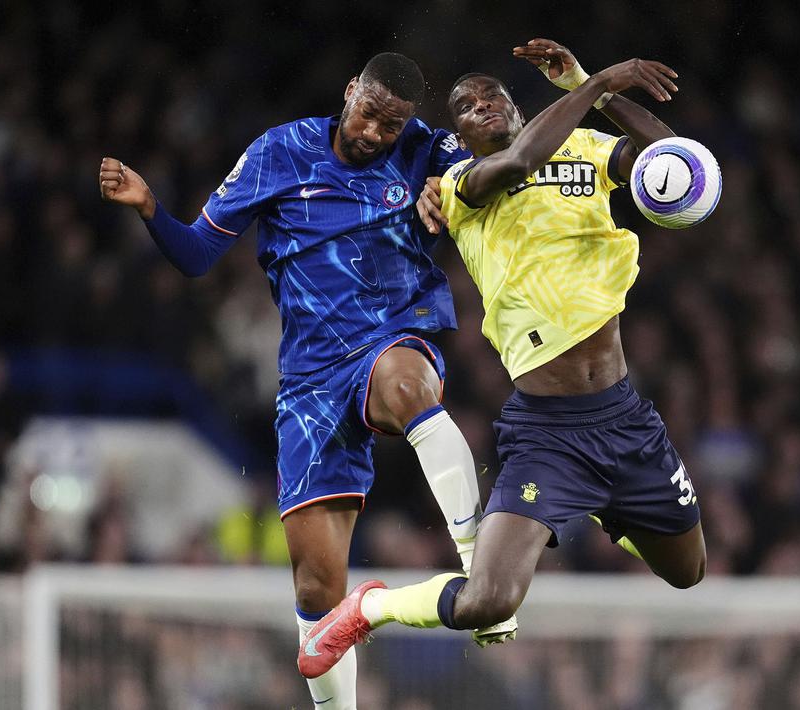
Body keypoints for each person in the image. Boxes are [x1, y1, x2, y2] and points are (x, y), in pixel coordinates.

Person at [98, 52, 515, 710]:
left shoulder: (424, 150)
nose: (377, 132)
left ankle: (481, 568)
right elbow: (198, 255)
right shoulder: (279, 152)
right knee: (318, 590)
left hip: (391, 337)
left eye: (393, 122)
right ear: (349, 92)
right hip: (309, 385)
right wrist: (150, 207)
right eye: (370, 114)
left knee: (409, 388)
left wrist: (453, 187)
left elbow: (478, 173)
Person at [298, 39, 706, 680]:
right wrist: (597, 84)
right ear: (456, 133)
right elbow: (518, 160)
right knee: (488, 602)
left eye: (494, 95)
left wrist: (586, 83)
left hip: (625, 417)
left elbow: (674, 164)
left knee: (689, 572)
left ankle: (610, 507)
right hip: (549, 432)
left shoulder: (586, 149)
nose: (481, 104)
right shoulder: (460, 186)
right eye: (465, 105)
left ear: (519, 105)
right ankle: (368, 609)